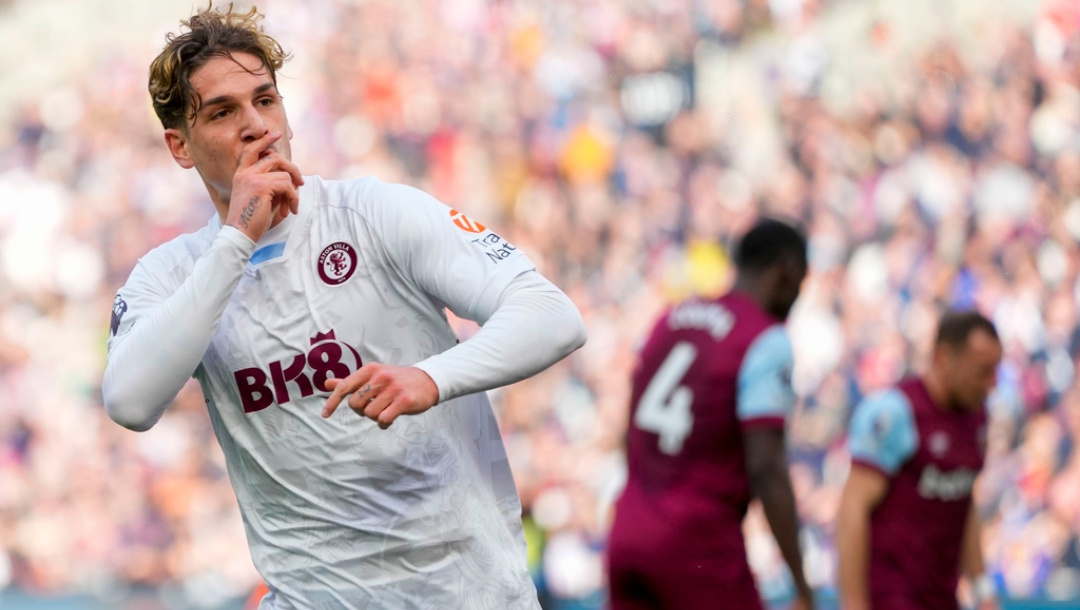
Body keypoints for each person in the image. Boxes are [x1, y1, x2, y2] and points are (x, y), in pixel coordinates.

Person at [101, 4, 586, 609]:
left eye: (266, 100)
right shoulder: (171, 274)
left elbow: (551, 314)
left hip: (464, 594)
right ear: (180, 147)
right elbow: (129, 401)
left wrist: (433, 378)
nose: (257, 125)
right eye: (224, 113)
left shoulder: (375, 215)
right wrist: (236, 241)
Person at [607, 218, 814, 610]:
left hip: (628, 532)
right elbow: (767, 469)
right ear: (786, 271)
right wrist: (801, 582)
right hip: (697, 546)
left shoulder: (671, 318)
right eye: (802, 280)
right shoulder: (764, 339)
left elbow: (629, 434)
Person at [836, 310, 1003, 610]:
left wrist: (982, 589)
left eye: (995, 371)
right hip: (890, 598)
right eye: (981, 371)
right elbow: (852, 509)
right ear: (942, 358)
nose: (991, 383)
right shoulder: (895, 412)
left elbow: (964, 503)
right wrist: (854, 604)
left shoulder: (976, 418)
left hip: (941, 599)